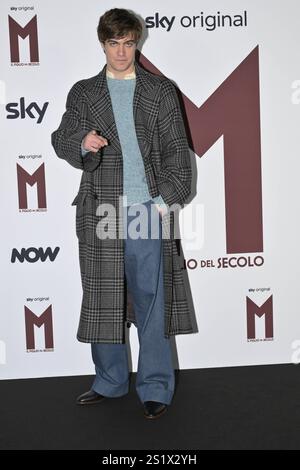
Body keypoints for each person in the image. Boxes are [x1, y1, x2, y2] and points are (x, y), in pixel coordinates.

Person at [51, 8, 194, 419]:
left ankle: (155, 386)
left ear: (137, 43)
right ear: (102, 44)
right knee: (103, 298)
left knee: (151, 300)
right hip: (100, 207)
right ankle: (110, 381)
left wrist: (161, 203)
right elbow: (61, 138)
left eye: (128, 43)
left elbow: (177, 158)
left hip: (146, 209)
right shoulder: (83, 93)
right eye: (113, 43)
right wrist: (82, 140)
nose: (121, 51)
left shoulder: (161, 91)